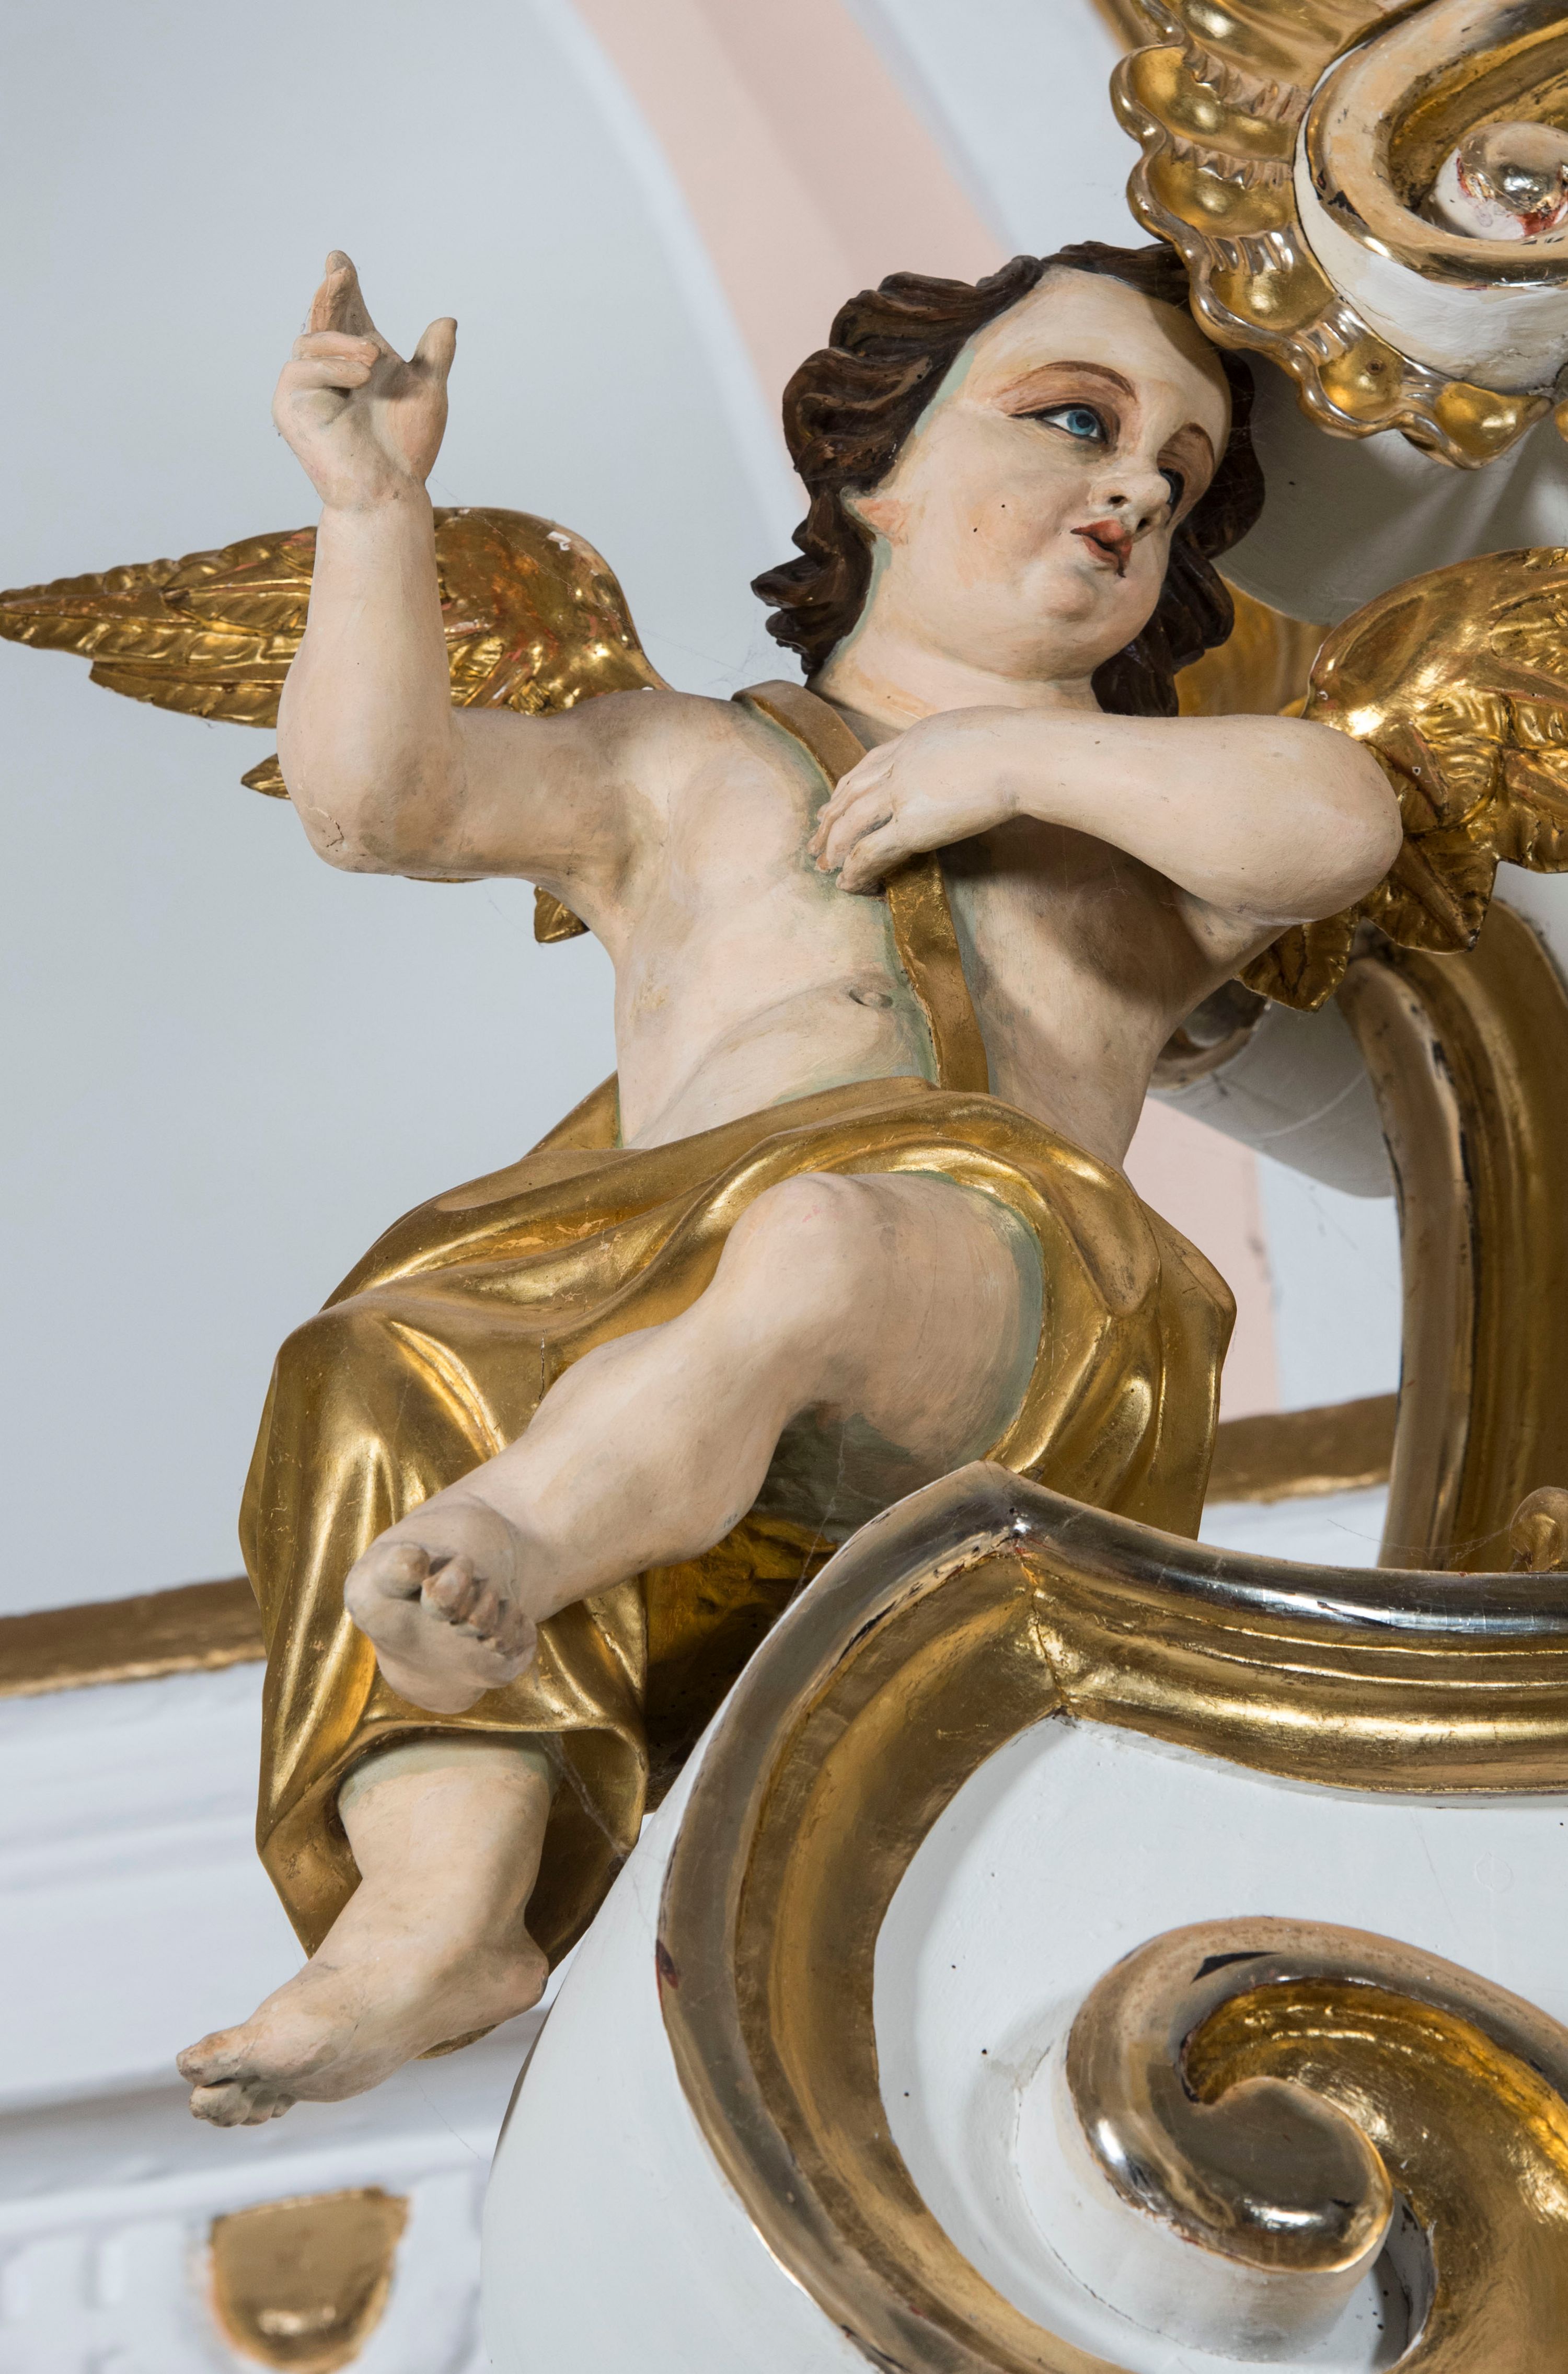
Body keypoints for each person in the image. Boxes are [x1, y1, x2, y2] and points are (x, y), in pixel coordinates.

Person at [178, 243, 1398, 2127]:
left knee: (824, 1237)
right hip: (664, 1281)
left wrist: (1011, 758)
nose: (1133, 488)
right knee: (384, 1358)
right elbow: (379, 803)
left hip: (1017, 1331)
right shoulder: (685, 762)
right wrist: (371, 513)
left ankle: (526, 1536)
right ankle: (438, 1913)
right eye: (1074, 421)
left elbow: (1339, 822)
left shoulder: (1137, 843)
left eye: (1176, 474)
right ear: (875, 471)